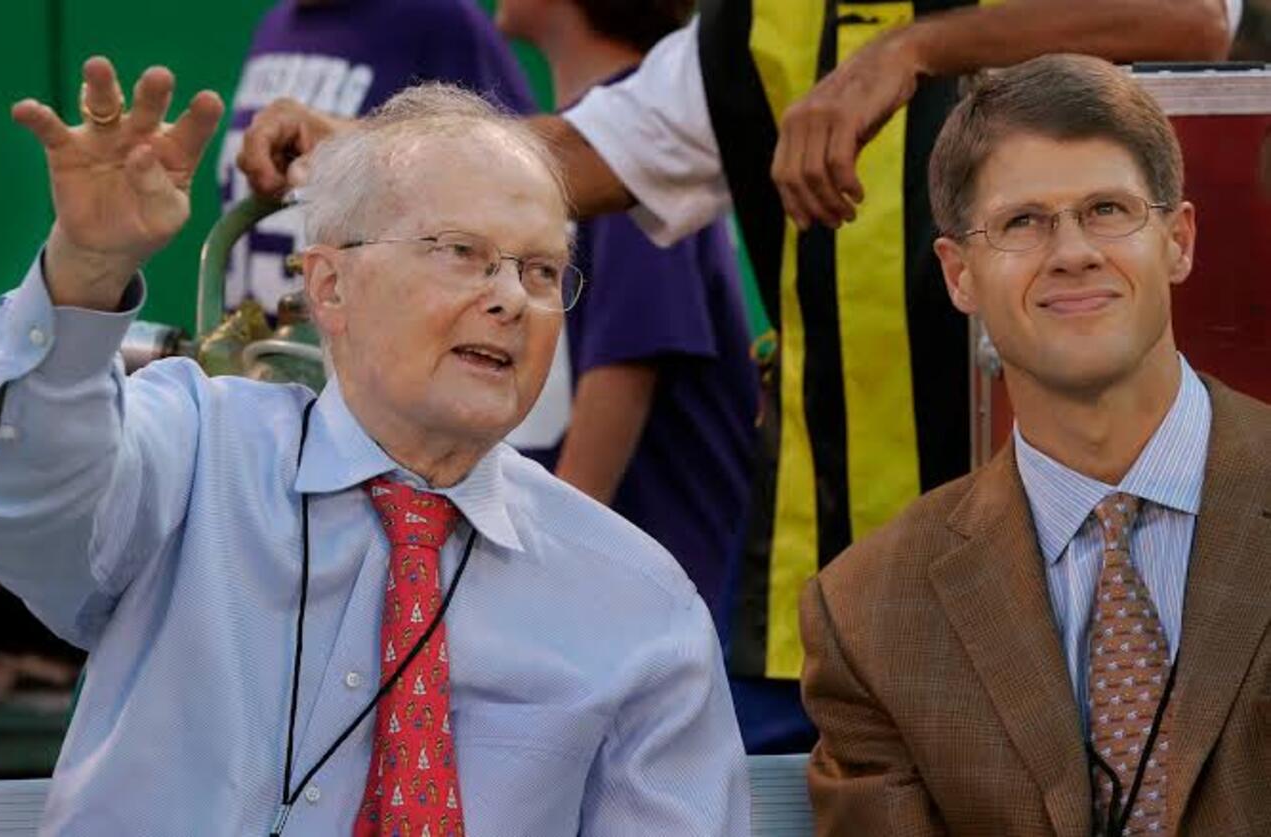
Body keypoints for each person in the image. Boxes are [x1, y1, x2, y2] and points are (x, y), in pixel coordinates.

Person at [235, 0, 1242, 753]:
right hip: (820, 604)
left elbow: (1200, 17)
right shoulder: (757, 23)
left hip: (1090, 583)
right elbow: (570, 155)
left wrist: (915, 50)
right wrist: (367, 152)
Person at [0, 58, 749, 834]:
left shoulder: (636, 605)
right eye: (460, 252)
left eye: (541, 272)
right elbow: (12, 495)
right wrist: (85, 270)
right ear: (328, 286)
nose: (508, 297)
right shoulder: (190, 456)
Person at [799, 54, 1271, 835]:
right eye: (1022, 222)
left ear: (1178, 240)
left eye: (1107, 210)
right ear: (958, 275)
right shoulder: (870, 614)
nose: (1071, 250)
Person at [494, 0, 759, 659]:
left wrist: (547, 563)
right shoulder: (611, 125)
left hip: (653, 589)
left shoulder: (626, 138)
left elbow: (630, 357)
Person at [218, 0, 536, 313]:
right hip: (256, 345)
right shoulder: (276, 25)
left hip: (373, 346)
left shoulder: (440, 17)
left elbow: (518, 172)